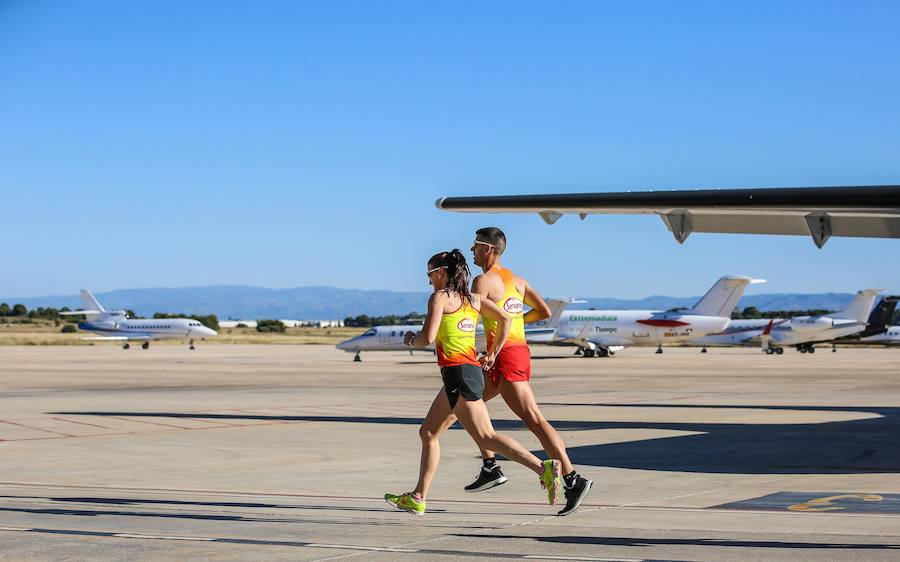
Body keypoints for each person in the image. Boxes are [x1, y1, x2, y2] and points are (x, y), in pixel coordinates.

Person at [384, 249, 561, 516]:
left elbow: (428, 338)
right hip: (465, 373)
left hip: (459, 375)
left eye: (429, 274)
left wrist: (410, 339)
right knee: (429, 432)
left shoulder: (439, 299)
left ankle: (542, 467)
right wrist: (491, 352)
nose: (429, 280)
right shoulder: (474, 299)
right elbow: (504, 318)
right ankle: (419, 497)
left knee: (486, 437)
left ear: (441, 273)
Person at [467, 226, 592, 517]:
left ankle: (572, 479)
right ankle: (490, 466)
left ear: (488, 249)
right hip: (514, 352)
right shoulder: (518, 281)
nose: (472, 250)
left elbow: (470, 319)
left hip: (504, 355)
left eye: (475, 246)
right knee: (464, 405)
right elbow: (544, 311)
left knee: (534, 420)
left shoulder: (482, 281)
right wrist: (516, 318)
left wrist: (485, 348)